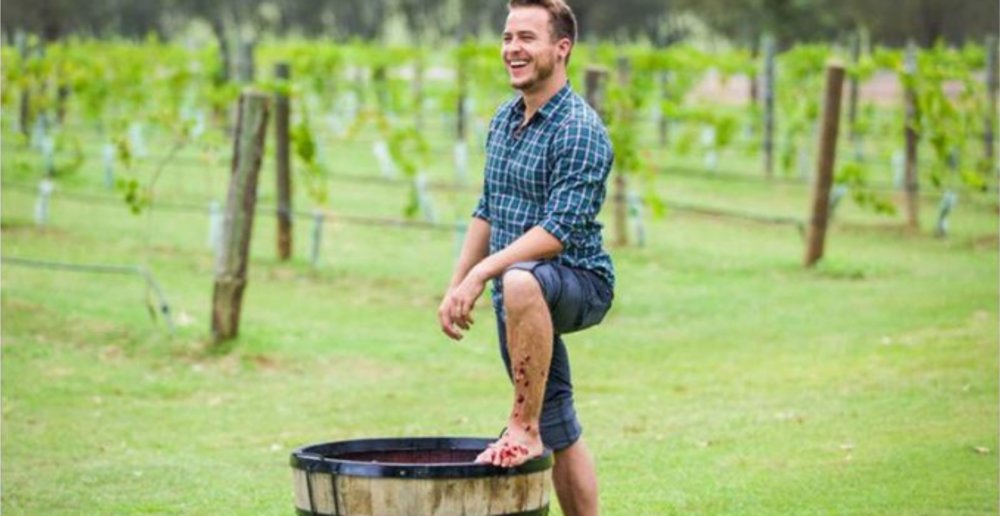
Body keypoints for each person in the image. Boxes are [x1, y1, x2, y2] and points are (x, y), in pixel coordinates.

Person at [437, 0, 613, 514]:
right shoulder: (505, 118)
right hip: (517, 294)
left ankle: (522, 428)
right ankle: (538, 428)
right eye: (508, 36)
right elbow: (487, 210)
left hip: (576, 281)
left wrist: (485, 273)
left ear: (562, 49)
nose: (513, 48)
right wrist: (458, 282)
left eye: (527, 38)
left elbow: (557, 232)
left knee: (518, 281)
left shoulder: (578, 130)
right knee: (559, 418)